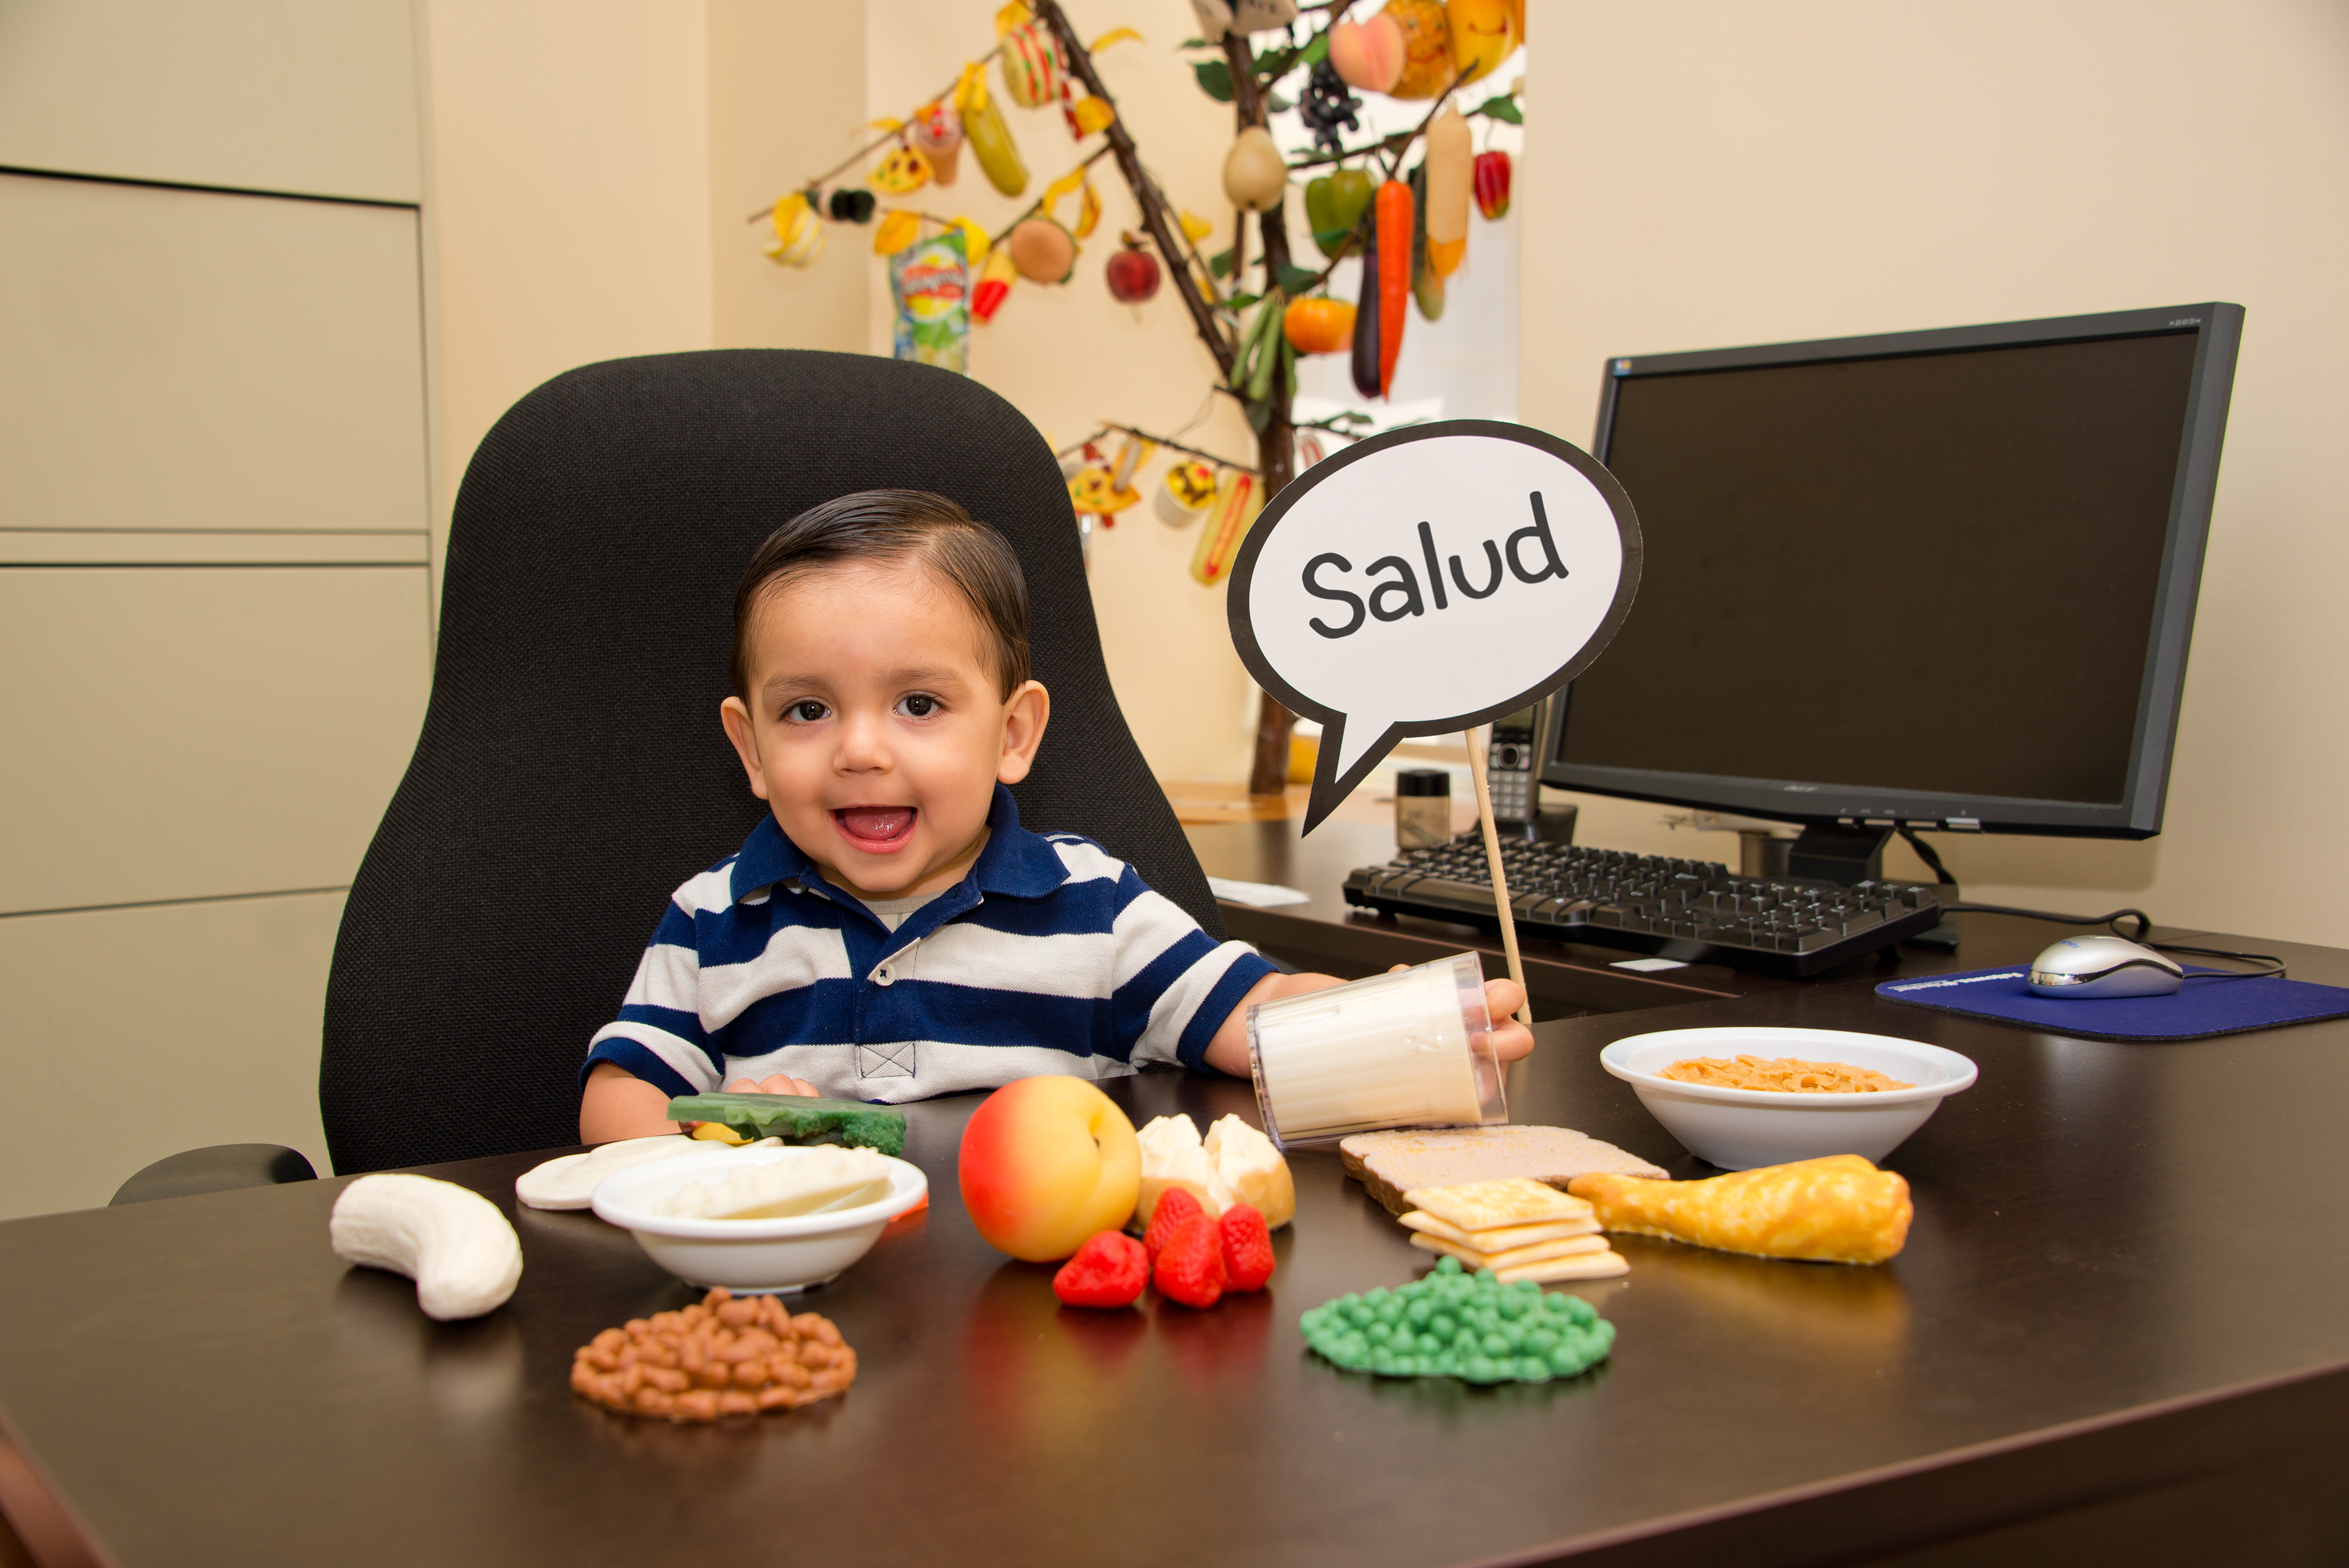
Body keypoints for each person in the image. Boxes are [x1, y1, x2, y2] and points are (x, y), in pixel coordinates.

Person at [579, 490, 1532, 1141]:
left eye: (919, 704)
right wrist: (715, 1129)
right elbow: (615, 1097)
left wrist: (1394, 1025)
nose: (860, 751)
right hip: (791, 1299)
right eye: (806, 711)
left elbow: (1252, 1013)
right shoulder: (714, 919)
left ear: (1013, 735)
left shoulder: (1094, 908)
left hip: (1035, 1307)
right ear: (750, 749)